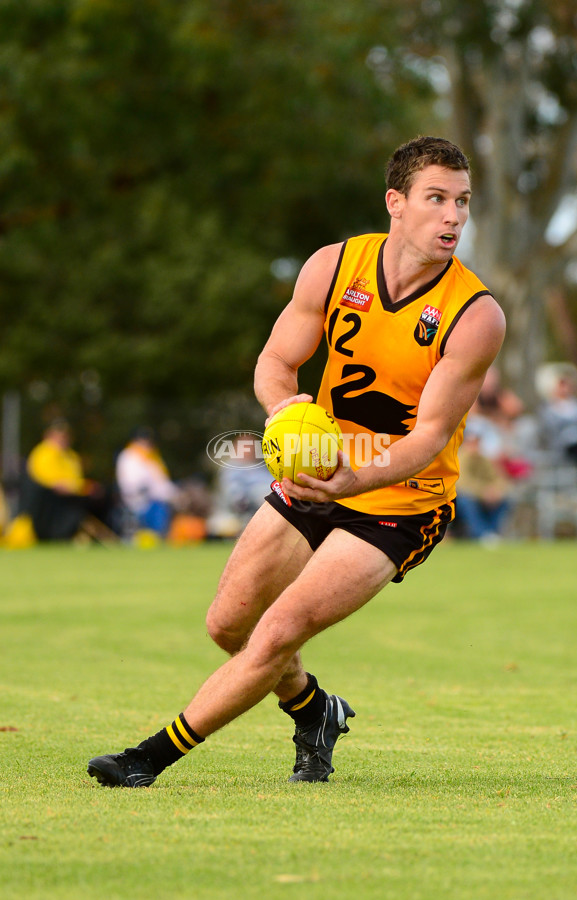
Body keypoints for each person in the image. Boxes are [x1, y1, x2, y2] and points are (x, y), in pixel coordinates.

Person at [87, 135, 505, 788]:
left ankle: (148, 759)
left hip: (402, 500)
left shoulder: (476, 316)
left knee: (278, 628)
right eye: (436, 199)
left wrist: (356, 476)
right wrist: (286, 414)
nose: (453, 216)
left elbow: (428, 438)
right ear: (396, 203)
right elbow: (275, 364)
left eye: (463, 202)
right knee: (229, 624)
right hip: (317, 475)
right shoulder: (333, 267)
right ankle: (316, 711)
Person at [23, 419, 100, 541]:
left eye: (65, 436)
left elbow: (76, 480)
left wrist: (87, 487)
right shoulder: (43, 454)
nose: (62, 439)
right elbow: (57, 485)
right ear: (48, 435)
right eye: (58, 435)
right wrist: (82, 488)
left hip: (69, 499)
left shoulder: (71, 456)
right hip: (48, 504)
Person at [115, 427, 181, 538]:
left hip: (159, 500)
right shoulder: (129, 456)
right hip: (140, 501)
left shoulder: (152, 458)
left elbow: (162, 481)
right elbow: (130, 484)